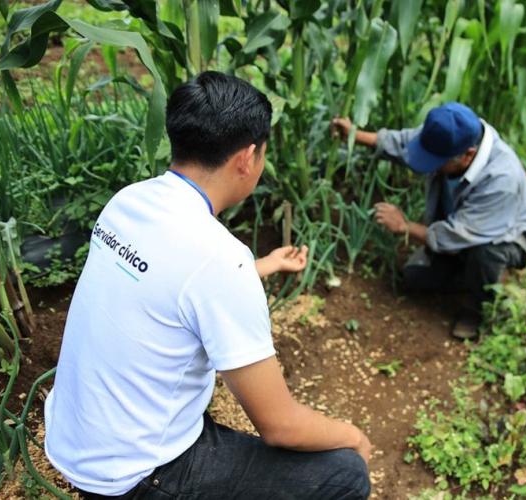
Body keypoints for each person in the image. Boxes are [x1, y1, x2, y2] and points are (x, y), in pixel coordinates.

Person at [45, 71, 371, 500]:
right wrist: (352, 435)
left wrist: (260, 266)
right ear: (247, 157)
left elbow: (173, 284)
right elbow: (280, 426)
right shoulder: (219, 260)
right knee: (344, 473)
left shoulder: (129, 202)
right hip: (138, 476)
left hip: (75, 445)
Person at [331, 103, 526, 339]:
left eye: (436, 162)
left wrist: (405, 226)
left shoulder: (501, 179)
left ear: (468, 156)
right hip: (461, 225)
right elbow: (404, 142)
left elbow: (462, 233)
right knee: (415, 278)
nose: (429, 165)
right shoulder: (450, 135)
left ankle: (479, 308)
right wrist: (354, 134)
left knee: (486, 253)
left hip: (506, 237)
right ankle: (470, 274)